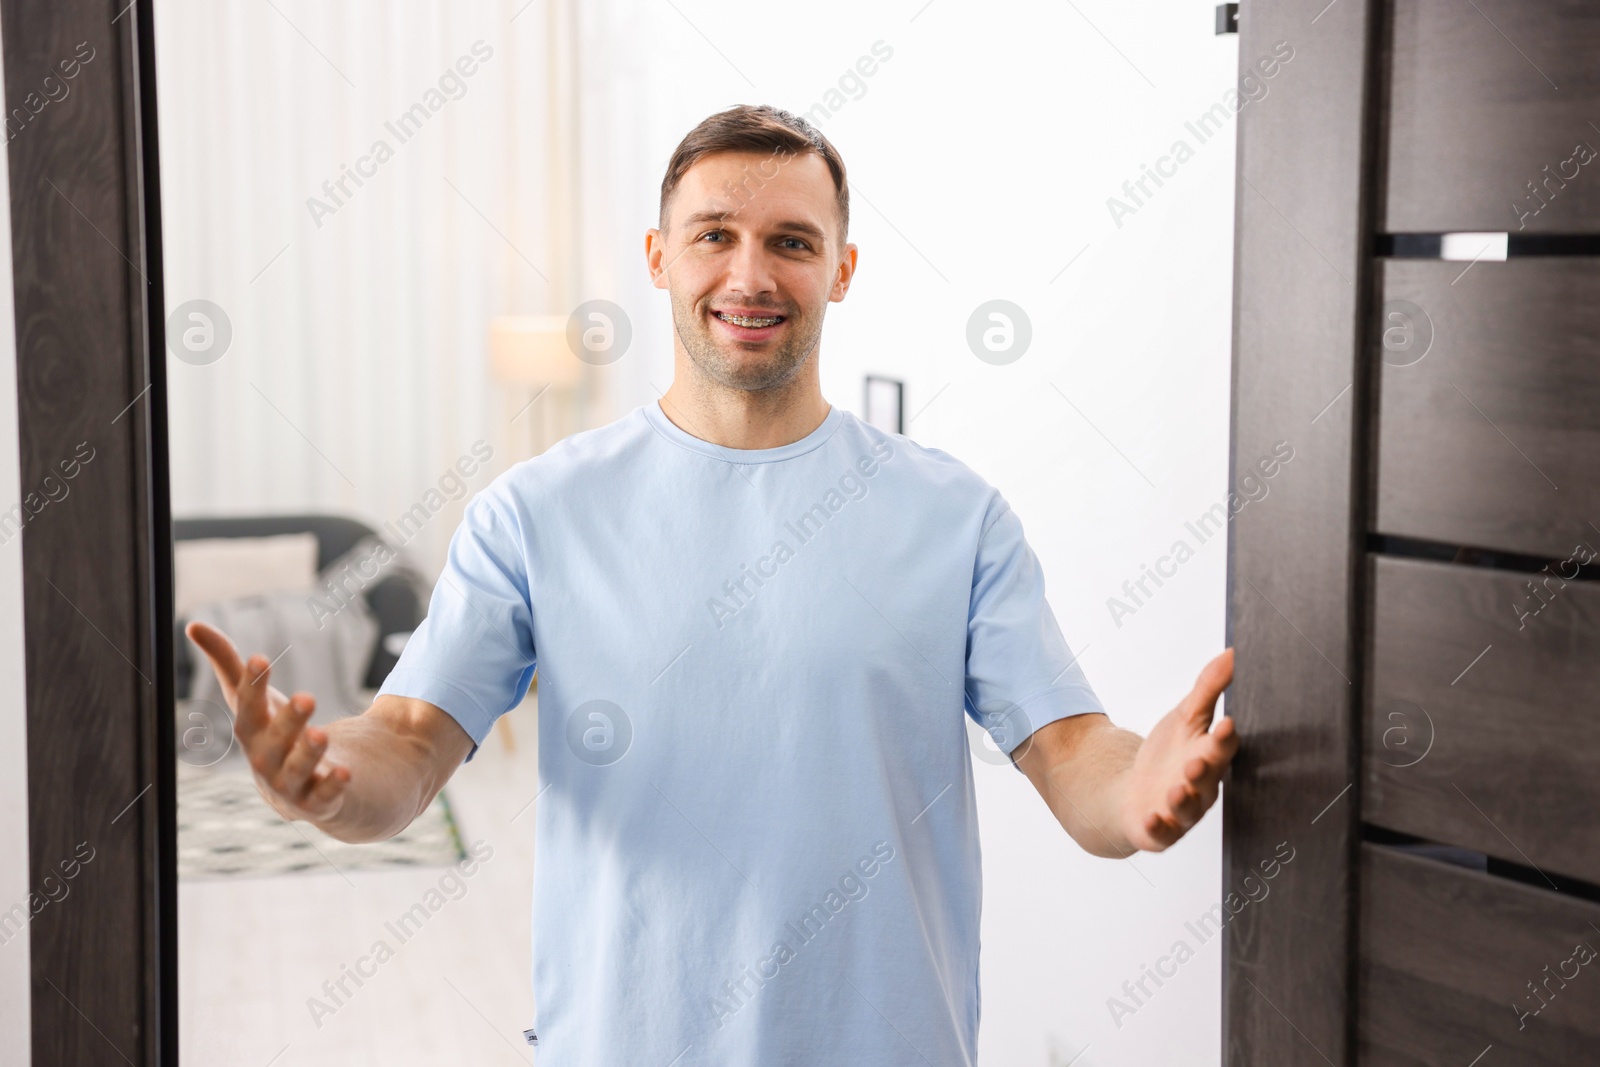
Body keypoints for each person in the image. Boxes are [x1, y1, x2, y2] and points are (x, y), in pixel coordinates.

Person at [187, 103, 1238, 1066]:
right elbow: (409, 741)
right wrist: (322, 779)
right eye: (713, 234)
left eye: (791, 241)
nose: (750, 273)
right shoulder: (535, 513)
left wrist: (1139, 791)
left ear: (842, 268)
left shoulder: (953, 516)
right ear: (658, 255)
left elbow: (1069, 749)